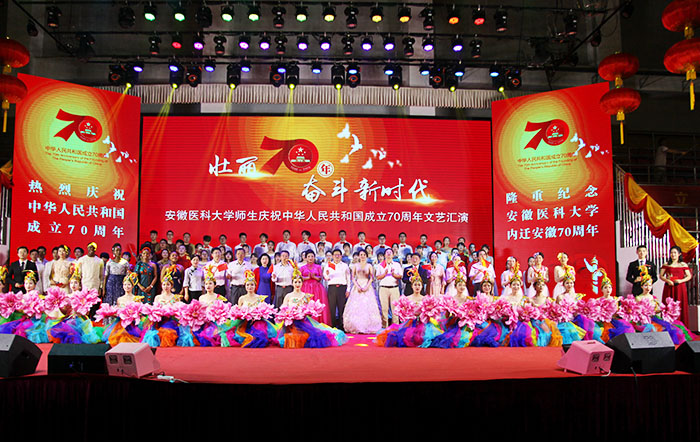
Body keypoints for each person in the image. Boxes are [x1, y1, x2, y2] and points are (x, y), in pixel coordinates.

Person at [343, 250, 382, 334]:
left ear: (366, 256)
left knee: (367, 307)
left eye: (364, 255)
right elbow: (353, 277)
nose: (362, 256)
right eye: (361, 255)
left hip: (367, 286)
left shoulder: (369, 266)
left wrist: (366, 287)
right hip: (357, 286)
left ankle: (368, 326)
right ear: (359, 256)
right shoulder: (355, 265)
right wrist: (357, 286)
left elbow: (371, 278)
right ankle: (356, 327)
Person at [660, 246, 692, 325]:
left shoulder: (683, 264)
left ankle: (681, 325)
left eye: (675, 253)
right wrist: (667, 280)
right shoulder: (666, 264)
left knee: (680, 305)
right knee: (668, 306)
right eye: (671, 253)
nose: (673, 254)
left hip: (680, 288)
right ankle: (668, 325)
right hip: (669, 287)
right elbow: (661, 276)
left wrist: (681, 281)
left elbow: (689, 276)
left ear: (679, 254)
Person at [300, 250, 331, 325]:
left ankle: (318, 322)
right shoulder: (302, 267)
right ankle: (306, 323)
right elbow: (300, 278)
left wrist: (314, 277)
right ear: (305, 258)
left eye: (312, 256)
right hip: (305, 288)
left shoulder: (318, 267)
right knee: (306, 305)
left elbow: (320, 278)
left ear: (314, 257)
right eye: (309, 256)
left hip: (317, 288)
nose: (310, 258)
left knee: (317, 305)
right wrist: (307, 278)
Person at [324, 249, 350, 330]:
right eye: (335, 255)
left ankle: (342, 326)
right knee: (332, 308)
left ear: (341, 256)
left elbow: (348, 278)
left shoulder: (345, 265)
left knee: (341, 307)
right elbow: (325, 277)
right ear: (332, 256)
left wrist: (348, 290)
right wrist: (327, 275)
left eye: (338, 255)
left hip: (342, 288)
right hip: (332, 287)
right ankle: (333, 326)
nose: (337, 256)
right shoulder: (328, 265)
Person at [376, 248, 403, 328]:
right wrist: (384, 274)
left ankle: (395, 327)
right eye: (387, 253)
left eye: (390, 253)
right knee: (384, 309)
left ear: (393, 255)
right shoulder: (380, 265)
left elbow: (400, 276)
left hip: (394, 288)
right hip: (383, 288)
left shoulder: (397, 265)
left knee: (395, 308)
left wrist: (394, 275)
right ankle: (384, 327)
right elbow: (377, 277)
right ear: (384, 255)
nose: (388, 254)